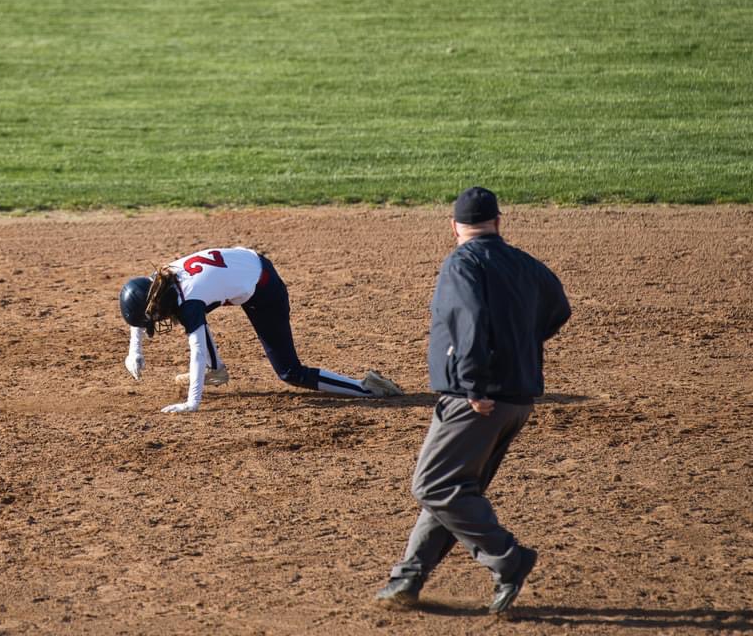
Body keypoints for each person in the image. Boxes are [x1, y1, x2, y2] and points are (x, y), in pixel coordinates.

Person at [375, 187, 571, 614]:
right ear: (499, 222)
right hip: (517, 399)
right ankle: (407, 578)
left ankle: (509, 559)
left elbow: (470, 323)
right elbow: (558, 309)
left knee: (434, 485)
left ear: (453, 227)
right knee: (456, 488)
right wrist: (519, 347)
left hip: (477, 401)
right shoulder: (525, 263)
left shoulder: (461, 262)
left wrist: (473, 387)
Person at [119, 246, 403, 413]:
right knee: (187, 313)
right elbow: (144, 306)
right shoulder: (161, 278)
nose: (155, 320)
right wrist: (135, 351)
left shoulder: (189, 302)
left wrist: (192, 403)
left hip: (265, 289)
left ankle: (367, 388)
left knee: (290, 372)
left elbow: (196, 349)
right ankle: (215, 370)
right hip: (245, 263)